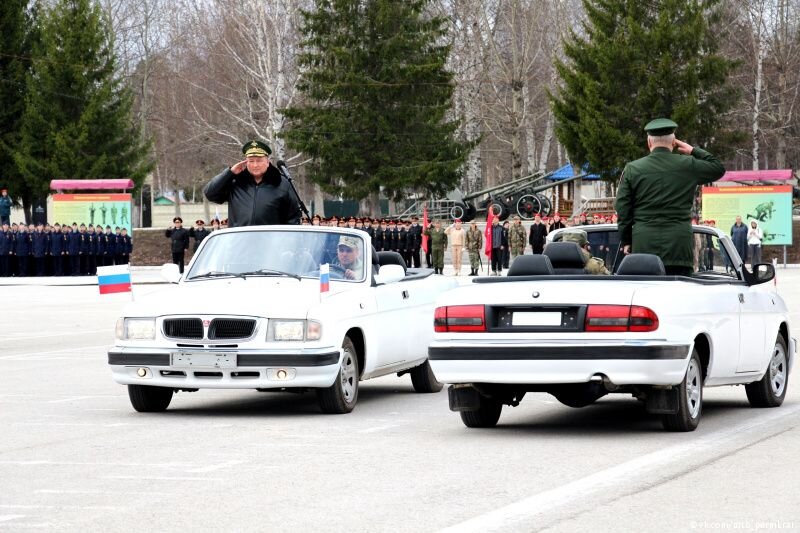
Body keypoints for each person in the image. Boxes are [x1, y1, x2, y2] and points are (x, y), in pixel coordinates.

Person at [615, 118, 725, 276]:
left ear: (649, 142)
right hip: (678, 245)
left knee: (645, 290)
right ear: (674, 142)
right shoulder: (687, 165)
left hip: (644, 244)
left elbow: (623, 208)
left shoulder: (633, 169)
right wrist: (693, 150)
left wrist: (626, 240)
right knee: (679, 289)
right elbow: (718, 168)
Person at [204, 140, 301, 227]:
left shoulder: (282, 183)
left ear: (268, 162)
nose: (255, 165)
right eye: (251, 161)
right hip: (240, 239)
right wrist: (229, 173)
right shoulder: (235, 182)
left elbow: (293, 218)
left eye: (259, 161)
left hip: (271, 239)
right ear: (246, 162)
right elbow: (210, 194)